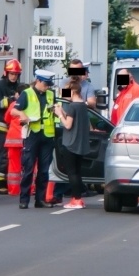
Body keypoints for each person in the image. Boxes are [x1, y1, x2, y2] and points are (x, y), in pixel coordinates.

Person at [16, 69, 58, 209]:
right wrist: (23, 115)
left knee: (44, 170)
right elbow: (14, 110)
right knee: (28, 168)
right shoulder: (26, 93)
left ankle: (40, 200)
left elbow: (60, 105)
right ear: (38, 81)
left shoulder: (51, 94)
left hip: (47, 135)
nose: (47, 87)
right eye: (45, 84)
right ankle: (24, 199)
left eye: (49, 85)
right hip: (32, 134)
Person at [53, 79, 91, 209]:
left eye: (67, 90)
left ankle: (76, 199)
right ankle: (78, 198)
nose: (65, 92)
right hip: (80, 143)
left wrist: (59, 115)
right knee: (77, 172)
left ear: (73, 91)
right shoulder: (82, 106)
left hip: (71, 143)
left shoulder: (73, 106)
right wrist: (62, 111)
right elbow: (71, 119)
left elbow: (68, 125)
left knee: (72, 173)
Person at [0, 59, 24, 194]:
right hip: (0, 126)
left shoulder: (18, 86)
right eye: (12, 73)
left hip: (12, 127)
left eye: (16, 74)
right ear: (6, 73)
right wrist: (12, 99)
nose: (14, 76)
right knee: (2, 155)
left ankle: (8, 183)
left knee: (10, 156)